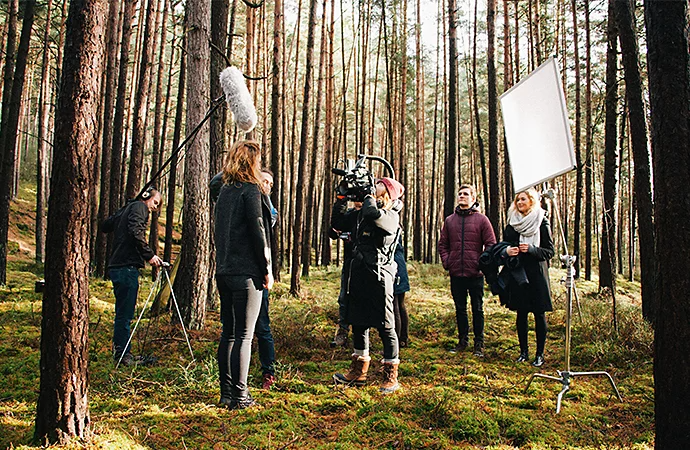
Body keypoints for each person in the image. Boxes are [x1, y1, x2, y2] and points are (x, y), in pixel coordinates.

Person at [214, 140, 274, 409]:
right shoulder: (251, 191)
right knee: (244, 336)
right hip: (246, 273)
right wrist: (266, 269)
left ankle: (226, 394)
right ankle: (240, 396)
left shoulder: (224, 191)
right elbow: (258, 231)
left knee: (228, 333)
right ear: (253, 162)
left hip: (224, 271)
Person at [332, 177, 404, 394]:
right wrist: (341, 198)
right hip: (360, 273)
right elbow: (338, 223)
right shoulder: (361, 214)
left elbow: (373, 213)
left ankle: (390, 374)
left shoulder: (391, 216)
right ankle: (358, 371)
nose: (375, 186)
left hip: (380, 276)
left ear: (388, 193)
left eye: (380, 185)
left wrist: (367, 196)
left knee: (386, 326)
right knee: (359, 322)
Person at [101, 187, 163, 366]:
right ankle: (123, 355)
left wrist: (125, 208)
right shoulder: (139, 207)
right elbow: (135, 231)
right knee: (125, 314)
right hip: (126, 267)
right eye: (155, 202)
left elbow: (106, 225)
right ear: (146, 197)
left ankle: (122, 351)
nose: (154, 207)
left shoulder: (130, 209)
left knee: (123, 312)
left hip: (117, 266)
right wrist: (149, 255)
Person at [438, 184, 496, 357]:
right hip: (456, 273)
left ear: (473, 198)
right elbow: (443, 244)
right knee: (460, 309)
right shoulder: (450, 221)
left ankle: (479, 344)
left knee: (477, 308)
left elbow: (491, 244)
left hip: (475, 273)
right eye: (460, 194)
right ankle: (462, 341)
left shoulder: (482, 220)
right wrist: (448, 262)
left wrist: (482, 263)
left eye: (465, 194)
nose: (462, 196)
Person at [500, 188, 554, 367]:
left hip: (537, 273)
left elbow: (549, 251)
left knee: (539, 313)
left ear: (532, 201)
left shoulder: (541, 221)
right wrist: (508, 251)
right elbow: (504, 246)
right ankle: (523, 352)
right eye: (517, 200)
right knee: (521, 313)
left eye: (523, 199)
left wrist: (532, 250)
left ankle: (540, 354)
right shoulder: (512, 223)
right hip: (519, 273)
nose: (520, 202)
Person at [255, 168, 278, 389]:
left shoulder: (268, 207)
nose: (268, 185)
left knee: (262, 326)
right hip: (243, 272)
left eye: (271, 183)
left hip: (261, 274)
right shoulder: (247, 198)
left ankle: (268, 372)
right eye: (265, 181)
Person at [329, 201, 361, 348]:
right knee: (344, 297)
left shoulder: (372, 213)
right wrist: (340, 202)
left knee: (362, 299)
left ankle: (361, 336)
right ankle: (342, 331)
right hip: (350, 262)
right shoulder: (349, 215)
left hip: (368, 264)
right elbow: (334, 228)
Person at [393, 235, 410, 348]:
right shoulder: (396, 227)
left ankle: (396, 341)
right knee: (400, 304)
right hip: (399, 265)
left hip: (394, 266)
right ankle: (403, 339)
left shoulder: (389, 227)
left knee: (394, 306)